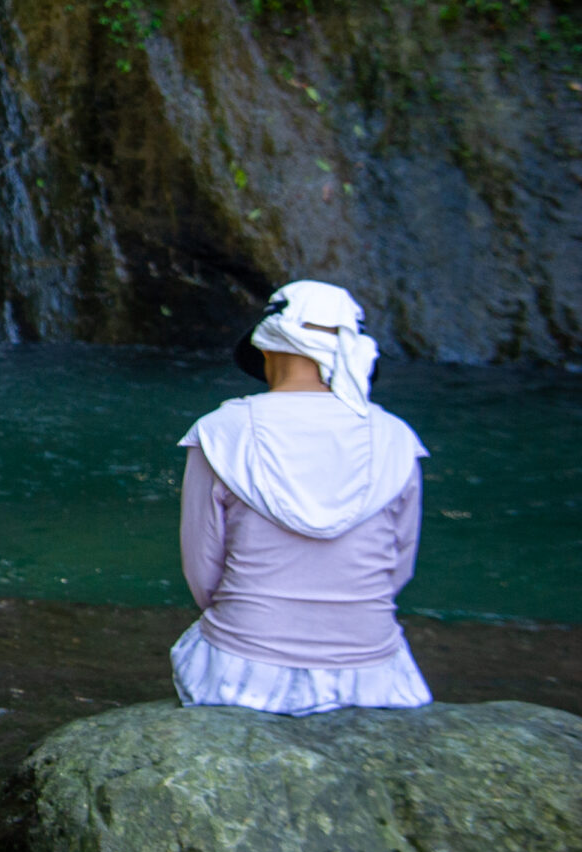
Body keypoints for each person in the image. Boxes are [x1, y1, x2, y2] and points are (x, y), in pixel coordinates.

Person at [173, 280, 432, 715]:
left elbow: (203, 574)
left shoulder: (221, 432)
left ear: (266, 347)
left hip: (241, 670)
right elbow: (398, 568)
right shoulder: (396, 438)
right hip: (370, 672)